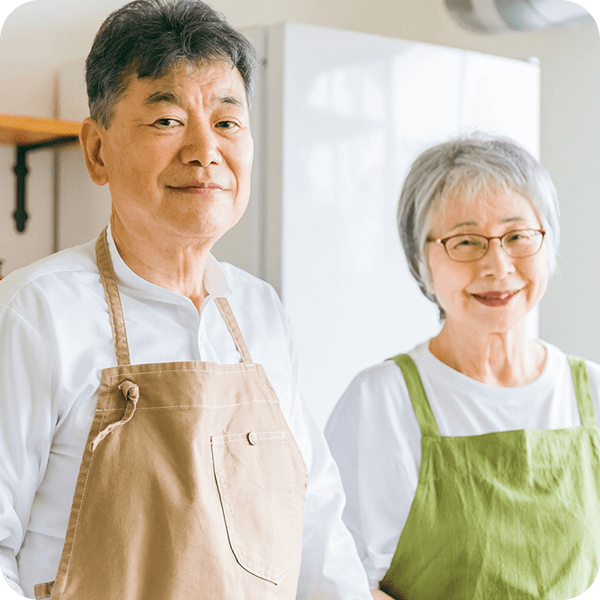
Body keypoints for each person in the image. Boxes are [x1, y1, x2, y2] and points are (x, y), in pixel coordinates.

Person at [0, 1, 373, 598]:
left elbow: (318, 529)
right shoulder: (35, 314)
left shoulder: (262, 314)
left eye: (227, 123)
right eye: (168, 120)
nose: (206, 150)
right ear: (97, 150)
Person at [325, 135, 600, 599]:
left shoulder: (592, 391)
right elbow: (338, 580)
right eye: (466, 241)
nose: (497, 265)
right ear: (421, 260)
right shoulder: (380, 403)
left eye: (517, 237)